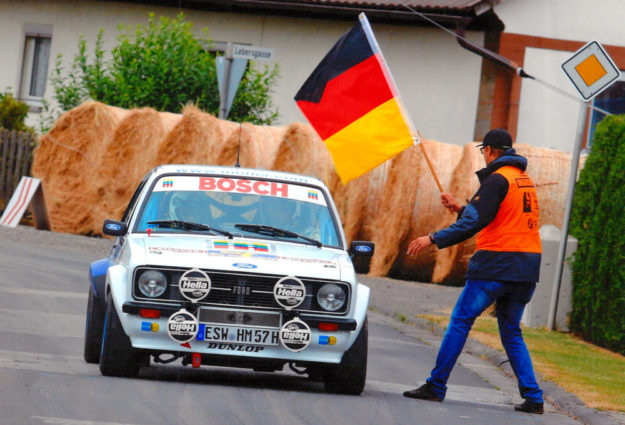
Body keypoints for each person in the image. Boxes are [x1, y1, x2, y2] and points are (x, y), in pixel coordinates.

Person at [403, 128, 544, 415]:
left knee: (460, 321)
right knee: (511, 331)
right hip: (526, 267)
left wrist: (431, 238)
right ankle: (534, 397)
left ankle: (436, 385)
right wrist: (461, 207)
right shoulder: (523, 179)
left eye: (484, 151)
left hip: (496, 264)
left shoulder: (496, 179)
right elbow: (497, 217)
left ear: (490, 151)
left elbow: (473, 224)